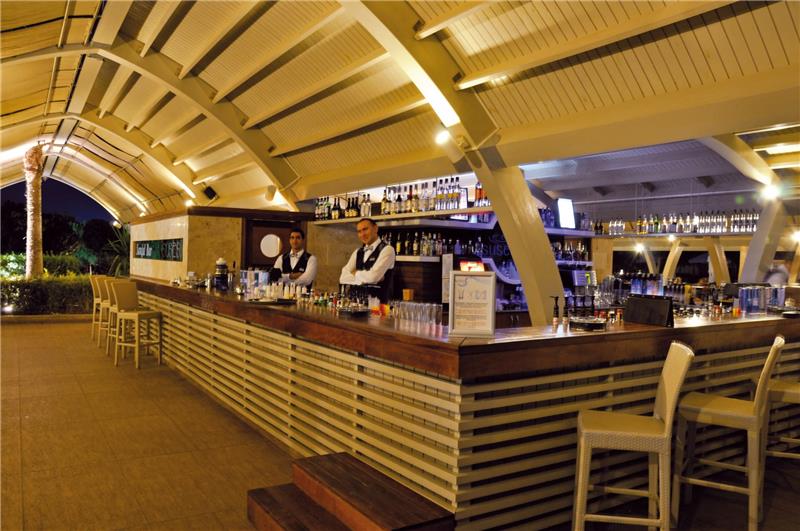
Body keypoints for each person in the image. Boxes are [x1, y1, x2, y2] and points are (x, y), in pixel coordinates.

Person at [339, 218, 396, 302]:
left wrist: (355, 273)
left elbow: (373, 277)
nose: (362, 234)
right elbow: (343, 278)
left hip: (378, 305)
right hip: (357, 304)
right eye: (359, 231)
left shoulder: (387, 250)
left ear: (375, 228)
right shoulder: (358, 252)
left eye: (365, 229)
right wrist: (368, 278)